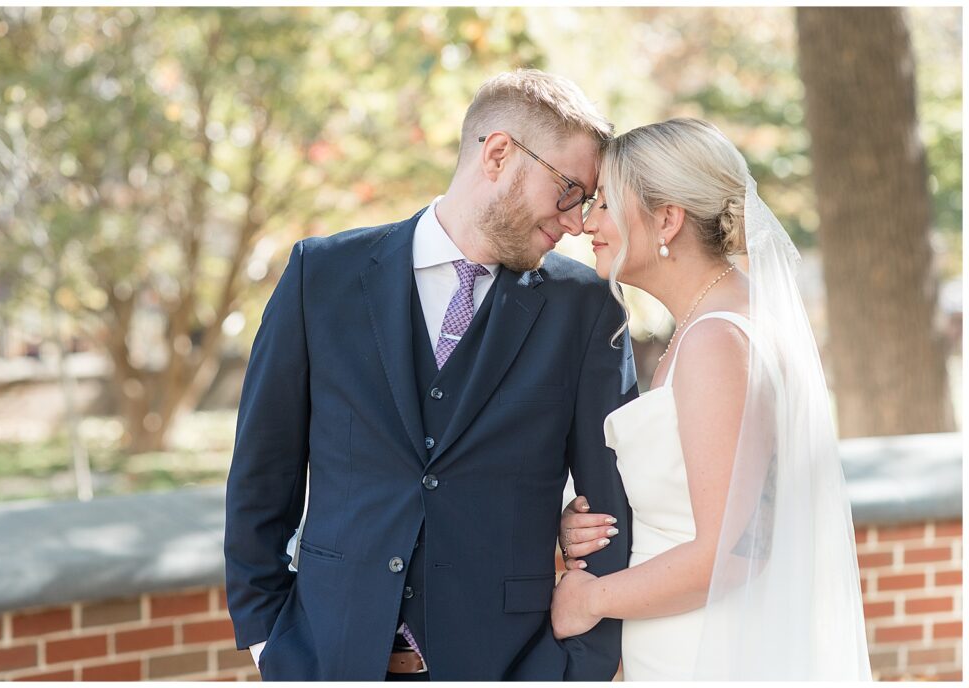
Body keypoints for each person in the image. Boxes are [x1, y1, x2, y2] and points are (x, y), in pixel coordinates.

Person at [223, 69, 636, 681]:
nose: (577, 222)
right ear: (499, 154)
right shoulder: (322, 277)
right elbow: (262, 473)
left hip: (510, 666)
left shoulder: (586, 308)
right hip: (328, 661)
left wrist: (576, 667)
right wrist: (268, 641)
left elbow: (612, 506)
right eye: (570, 190)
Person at [552, 118, 871, 680]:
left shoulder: (717, 340)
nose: (585, 223)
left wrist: (590, 600)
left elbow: (731, 550)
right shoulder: (712, 324)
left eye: (604, 203)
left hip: (704, 653)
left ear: (667, 220)